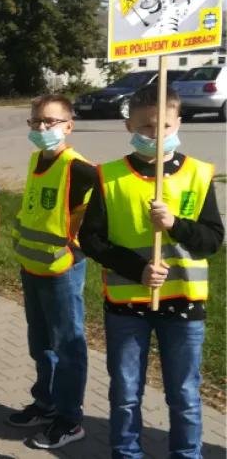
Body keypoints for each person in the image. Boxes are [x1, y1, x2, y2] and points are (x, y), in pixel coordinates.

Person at [79, 85, 223, 459]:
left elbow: (211, 241)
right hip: (128, 304)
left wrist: (176, 224)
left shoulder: (200, 173)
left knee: (185, 395)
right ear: (128, 125)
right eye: (145, 127)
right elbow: (90, 239)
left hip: (184, 304)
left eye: (164, 125)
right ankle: (126, 453)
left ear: (179, 123)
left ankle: (187, 454)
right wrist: (138, 268)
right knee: (126, 393)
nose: (156, 134)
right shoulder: (109, 176)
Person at [6, 95, 97, 449]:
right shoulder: (35, 160)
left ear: (68, 126)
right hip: (32, 266)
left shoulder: (78, 168)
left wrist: (75, 250)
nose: (42, 128)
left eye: (51, 122)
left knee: (68, 346)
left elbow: (98, 214)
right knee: (41, 344)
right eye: (36, 122)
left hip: (61, 271)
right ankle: (45, 402)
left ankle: (70, 418)